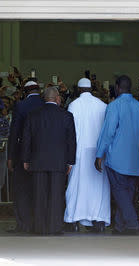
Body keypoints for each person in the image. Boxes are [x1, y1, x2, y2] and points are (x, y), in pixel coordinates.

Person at [95, 75, 139, 234]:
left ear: (117, 87)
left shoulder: (114, 106)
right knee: (127, 193)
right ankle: (120, 226)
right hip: (134, 160)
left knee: (119, 192)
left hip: (117, 158)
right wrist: (136, 149)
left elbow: (108, 133)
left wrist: (99, 154)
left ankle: (132, 224)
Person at [22, 86, 76, 235]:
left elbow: (27, 139)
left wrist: (26, 159)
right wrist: (70, 162)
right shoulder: (66, 116)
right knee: (56, 195)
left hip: (37, 161)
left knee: (39, 195)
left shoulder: (33, 115)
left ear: (44, 98)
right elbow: (71, 141)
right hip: (59, 162)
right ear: (57, 98)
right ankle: (55, 227)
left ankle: (40, 228)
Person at [64, 78, 110, 233]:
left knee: (76, 187)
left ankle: (74, 220)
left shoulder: (73, 105)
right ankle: (98, 220)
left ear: (78, 89)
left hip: (78, 152)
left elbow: (70, 133)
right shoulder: (102, 105)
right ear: (91, 89)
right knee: (98, 189)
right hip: (98, 154)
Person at [7, 81, 44, 233]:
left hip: (23, 155)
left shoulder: (21, 106)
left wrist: (10, 156)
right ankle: (37, 224)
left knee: (21, 191)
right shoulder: (45, 104)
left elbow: (14, 133)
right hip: (43, 155)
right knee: (39, 190)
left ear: (25, 91)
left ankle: (23, 224)